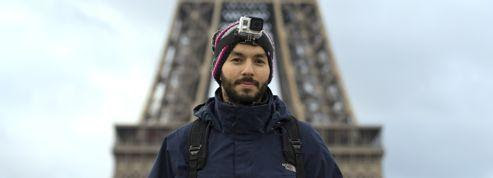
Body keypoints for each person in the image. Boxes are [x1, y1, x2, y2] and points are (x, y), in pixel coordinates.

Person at [148, 17, 343, 178]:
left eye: (259, 61)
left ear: (268, 71)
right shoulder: (179, 146)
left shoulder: (305, 143)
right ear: (219, 69)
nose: (248, 70)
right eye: (237, 60)